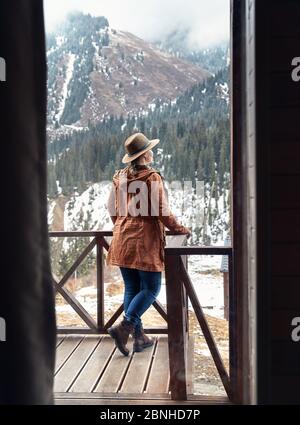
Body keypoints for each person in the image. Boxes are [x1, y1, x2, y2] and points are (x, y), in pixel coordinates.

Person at [105, 132, 191, 356]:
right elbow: (162, 212)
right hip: (144, 242)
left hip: (122, 239)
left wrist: (124, 224)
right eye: (150, 149)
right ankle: (125, 327)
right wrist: (180, 229)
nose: (153, 151)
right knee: (151, 289)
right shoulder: (151, 178)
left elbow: (111, 209)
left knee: (132, 289)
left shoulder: (120, 177)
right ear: (145, 155)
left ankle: (139, 338)